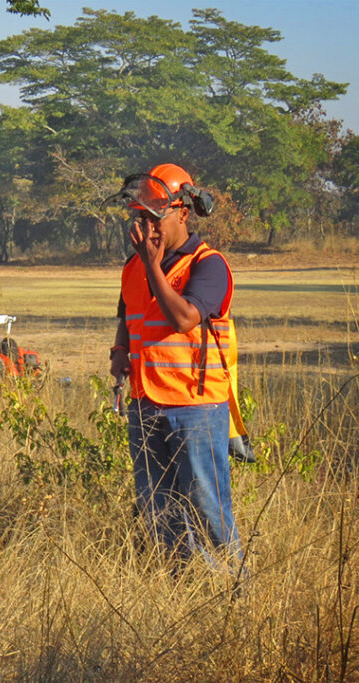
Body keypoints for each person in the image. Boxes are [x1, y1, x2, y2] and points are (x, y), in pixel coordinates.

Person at [105, 163, 243, 571]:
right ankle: (187, 583)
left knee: (206, 502)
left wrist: (152, 265)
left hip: (195, 407)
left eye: (154, 215)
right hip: (145, 402)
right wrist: (119, 350)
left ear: (183, 212)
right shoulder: (133, 268)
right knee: (156, 505)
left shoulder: (208, 264)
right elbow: (127, 316)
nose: (145, 225)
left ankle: (236, 580)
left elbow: (184, 317)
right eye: (139, 216)